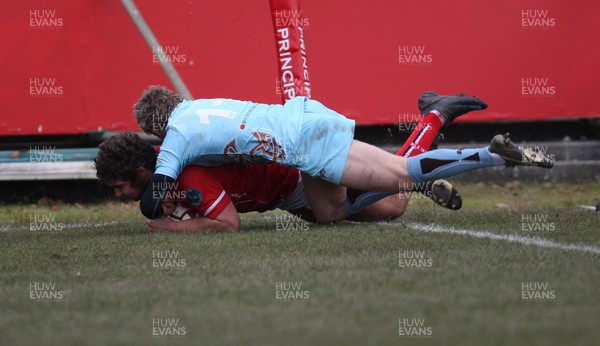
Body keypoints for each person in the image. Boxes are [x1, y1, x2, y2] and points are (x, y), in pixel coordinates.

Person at [133, 87, 554, 223]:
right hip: (305, 121)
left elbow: (154, 202)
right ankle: (436, 114)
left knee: (400, 175)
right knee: (355, 201)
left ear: (157, 128)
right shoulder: (198, 104)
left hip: (303, 143)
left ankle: (491, 153)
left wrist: (160, 188)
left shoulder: (175, 136)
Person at [94, 132, 430, 232]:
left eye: (120, 186)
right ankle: (408, 171)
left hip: (297, 179)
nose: (119, 195)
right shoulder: (164, 161)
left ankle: (430, 127)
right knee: (344, 215)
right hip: (282, 188)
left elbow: (228, 225)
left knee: (394, 205)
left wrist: (172, 226)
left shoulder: (186, 172)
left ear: (142, 171)